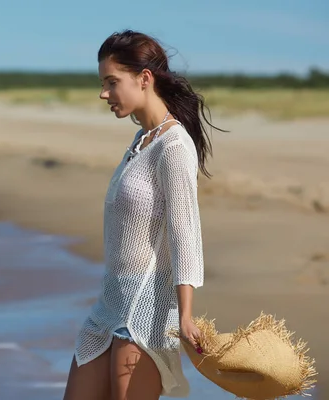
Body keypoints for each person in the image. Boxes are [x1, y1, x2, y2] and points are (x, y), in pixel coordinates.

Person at [63, 30, 224, 400]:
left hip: (146, 311)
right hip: (109, 306)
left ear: (144, 79)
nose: (104, 93)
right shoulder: (141, 142)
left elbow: (185, 232)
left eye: (112, 82)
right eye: (103, 83)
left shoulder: (173, 146)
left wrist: (185, 315)